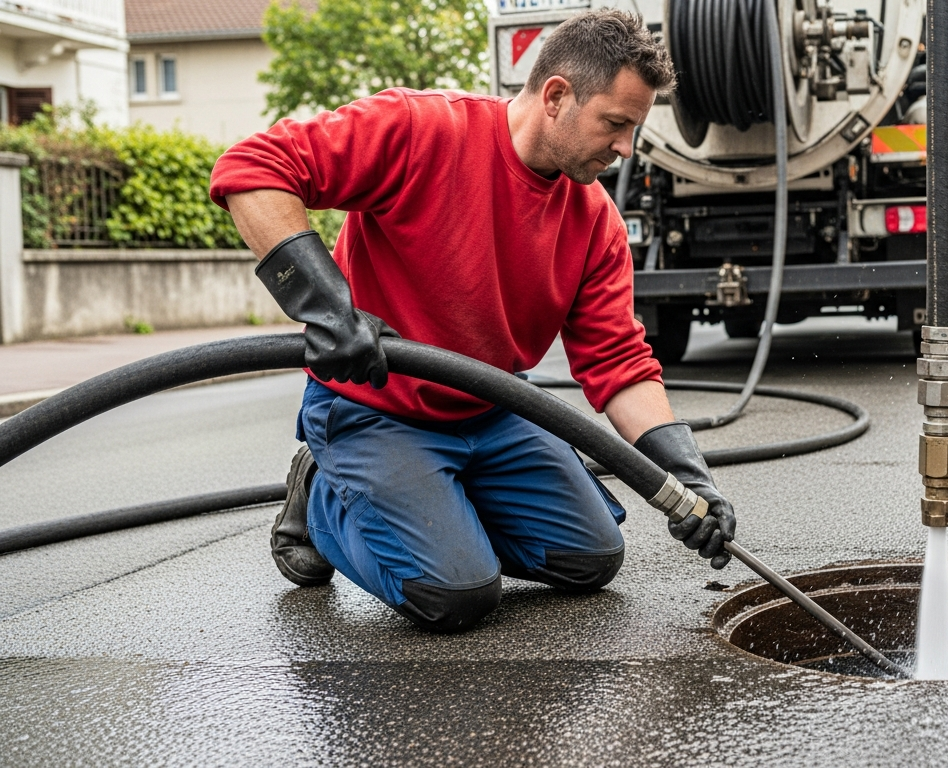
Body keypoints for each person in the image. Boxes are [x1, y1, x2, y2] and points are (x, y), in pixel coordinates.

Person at [209, 10, 735, 633]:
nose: (625, 149)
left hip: (490, 408)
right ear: (557, 96)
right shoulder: (418, 130)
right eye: (615, 124)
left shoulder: (594, 221)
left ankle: (434, 506)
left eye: (633, 130)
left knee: (592, 557)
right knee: (455, 594)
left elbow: (618, 365)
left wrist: (686, 475)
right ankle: (326, 494)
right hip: (377, 406)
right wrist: (329, 308)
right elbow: (251, 170)